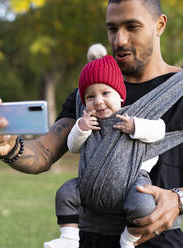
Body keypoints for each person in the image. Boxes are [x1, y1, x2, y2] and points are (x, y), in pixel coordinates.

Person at [0, 0, 183, 247]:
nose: (119, 39)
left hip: (156, 242)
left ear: (160, 25)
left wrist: (179, 199)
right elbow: (43, 153)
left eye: (132, 27)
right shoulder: (89, 93)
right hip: (87, 240)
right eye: (112, 28)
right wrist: (8, 148)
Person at [44, 44, 166, 248]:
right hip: (90, 182)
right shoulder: (88, 122)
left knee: (144, 205)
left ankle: (129, 238)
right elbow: (73, 147)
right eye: (90, 97)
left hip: (133, 180)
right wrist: (81, 128)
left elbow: (160, 130)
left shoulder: (133, 116)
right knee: (64, 193)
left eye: (105, 93)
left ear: (120, 95)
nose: (98, 102)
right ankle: (69, 238)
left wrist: (135, 126)